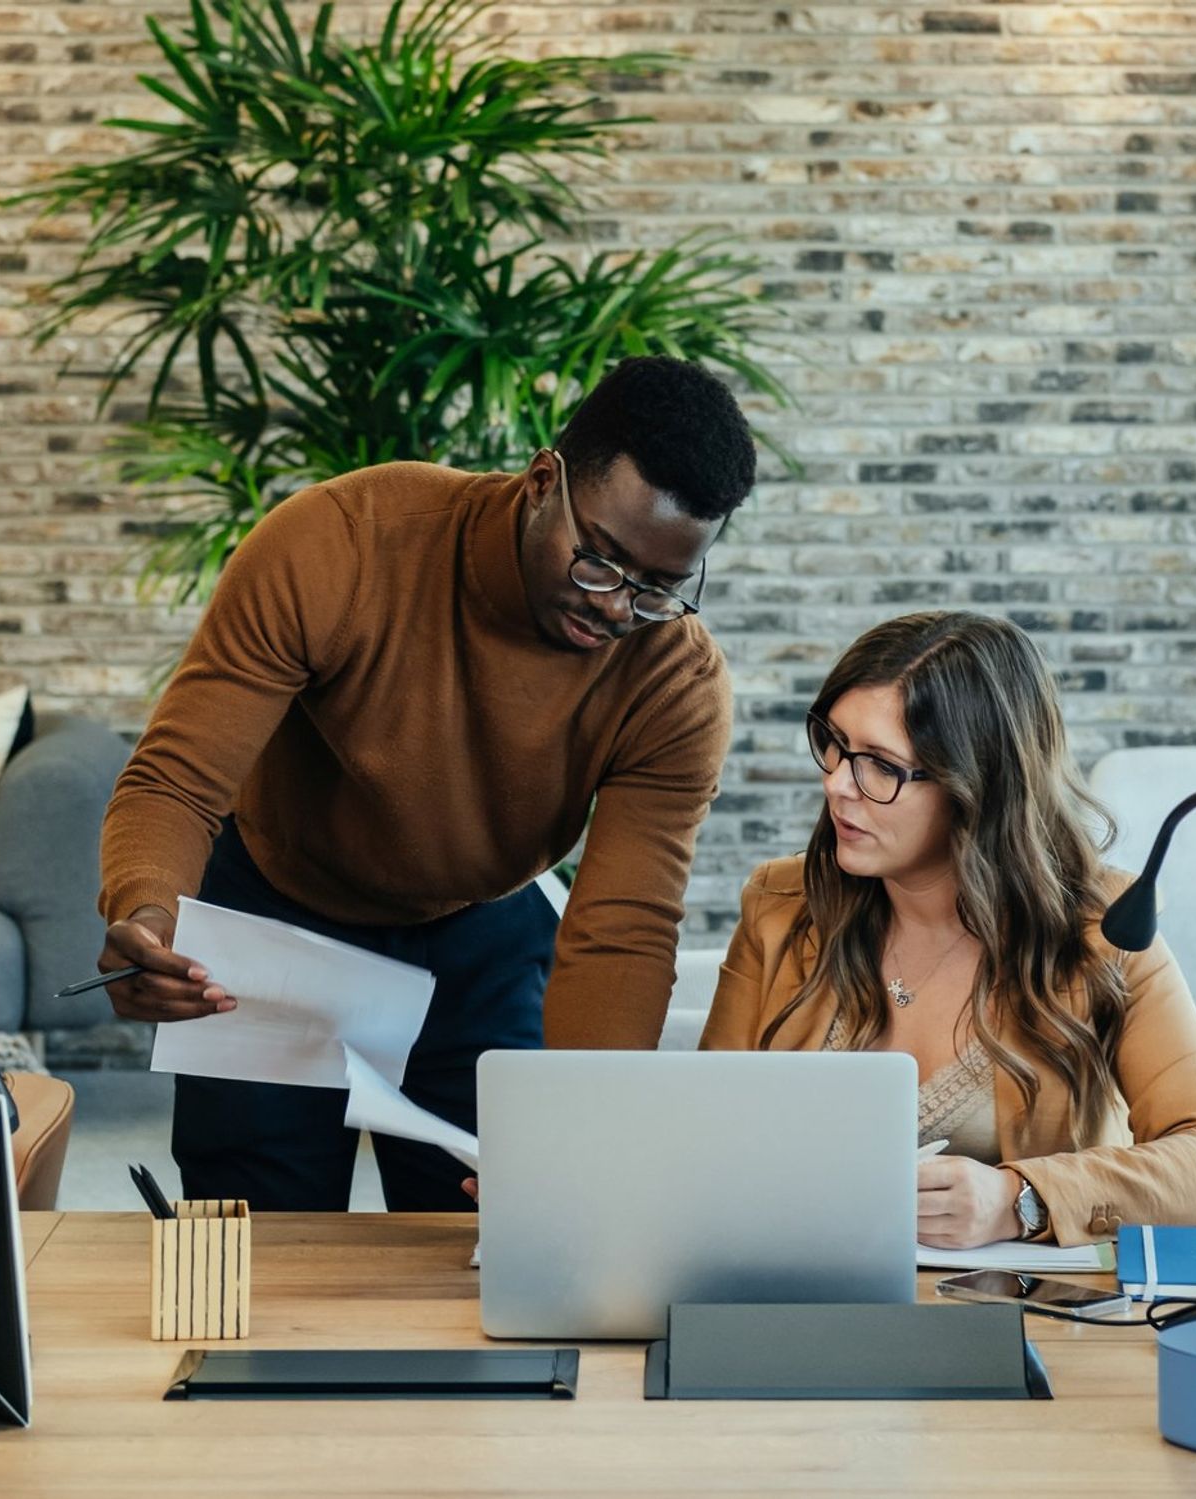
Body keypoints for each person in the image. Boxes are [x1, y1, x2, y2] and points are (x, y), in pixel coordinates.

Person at [96, 356, 757, 1212]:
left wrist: (594, 1122)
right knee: (260, 1248)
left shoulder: (675, 682)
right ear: (542, 481)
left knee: (495, 1231)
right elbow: (179, 779)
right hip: (272, 919)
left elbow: (623, 925)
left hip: (477, 940)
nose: (616, 608)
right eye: (601, 562)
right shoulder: (342, 542)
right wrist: (148, 911)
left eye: (659, 587)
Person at [701, 612, 1196, 1249]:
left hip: (1020, 1319)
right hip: (798, 1297)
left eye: (881, 766)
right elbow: (708, 1134)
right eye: (835, 744)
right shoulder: (782, 906)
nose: (837, 783)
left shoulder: (1099, 931)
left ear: (979, 787)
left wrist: (1021, 1199)